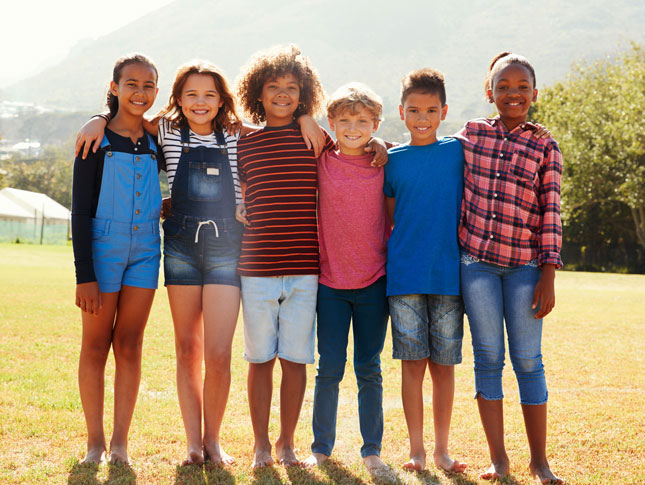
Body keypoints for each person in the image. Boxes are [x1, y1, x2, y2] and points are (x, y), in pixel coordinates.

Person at [74, 60, 324, 466]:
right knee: (188, 348)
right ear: (177, 100)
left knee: (220, 352)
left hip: (228, 247)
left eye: (209, 94)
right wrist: (98, 118)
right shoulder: (167, 131)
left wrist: (309, 116)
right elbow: (130, 118)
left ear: (223, 100)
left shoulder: (237, 136)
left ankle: (213, 440)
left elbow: (277, 127)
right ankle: (193, 442)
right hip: (181, 247)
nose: (200, 102)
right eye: (191, 94)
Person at [457, 52, 564, 484]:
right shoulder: (471, 135)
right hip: (476, 265)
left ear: (534, 94)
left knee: (528, 360)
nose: (512, 93)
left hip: (524, 268)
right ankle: (498, 460)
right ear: (490, 93)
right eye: (503, 86)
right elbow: (425, 146)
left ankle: (539, 461)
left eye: (522, 87)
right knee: (487, 358)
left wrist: (549, 274)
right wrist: (379, 145)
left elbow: (551, 212)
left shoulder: (545, 145)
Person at [233, 44, 336, 468]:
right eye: (273, 86)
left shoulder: (315, 136)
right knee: (260, 360)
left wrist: (310, 118)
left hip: (304, 269)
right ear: (258, 93)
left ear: (304, 95)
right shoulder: (243, 142)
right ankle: (260, 445)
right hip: (255, 268)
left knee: (295, 359)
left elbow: (356, 146)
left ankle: (287, 443)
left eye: (291, 88)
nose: (282, 94)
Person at [72, 53, 161, 465]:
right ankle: (95, 442)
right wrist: (84, 275)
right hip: (102, 249)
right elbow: (79, 210)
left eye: (148, 86)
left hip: (146, 251)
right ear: (114, 88)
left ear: (156, 92)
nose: (139, 92)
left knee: (129, 344)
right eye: (131, 84)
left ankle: (121, 443)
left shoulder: (157, 138)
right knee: (95, 345)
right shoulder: (95, 138)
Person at [301, 83, 390, 472]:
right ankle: (321, 446)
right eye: (344, 120)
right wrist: (307, 115)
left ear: (375, 124)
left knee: (368, 369)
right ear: (331, 123)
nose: (352, 128)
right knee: (329, 368)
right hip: (331, 285)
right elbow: (298, 124)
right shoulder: (320, 158)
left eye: (362, 121)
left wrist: (383, 144)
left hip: (375, 282)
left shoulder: (384, 163)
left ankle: (371, 450)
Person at [383, 68, 467, 474]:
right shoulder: (391, 161)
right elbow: (392, 216)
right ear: (401, 112)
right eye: (414, 109)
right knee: (412, 364)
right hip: (404, 277)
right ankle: (416, 450)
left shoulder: (457, 152)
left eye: (431, 110)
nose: (422, 117)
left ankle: (441, 450)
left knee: (443, 366)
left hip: (449, 277)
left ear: (443, 111)